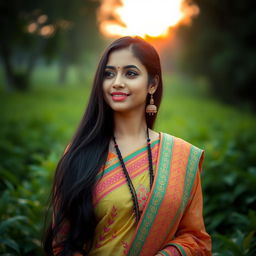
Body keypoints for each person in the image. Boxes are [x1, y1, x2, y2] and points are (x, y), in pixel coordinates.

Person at [43, 36, 212, 256]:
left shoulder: (181, 157)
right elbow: (62, 243)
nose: (117, 82)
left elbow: (196, 239)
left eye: (130, 73)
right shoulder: (80, 154)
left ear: (153, 83)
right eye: (109, 73)